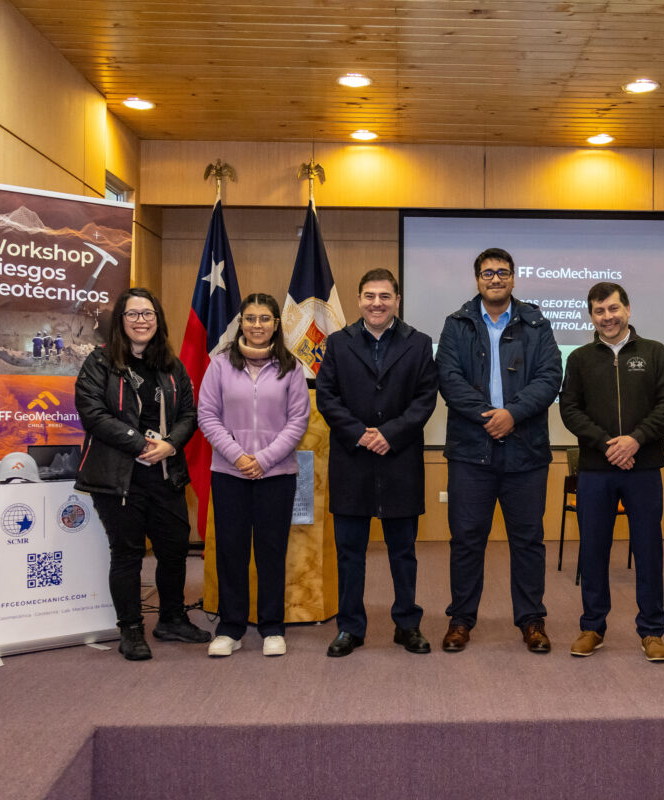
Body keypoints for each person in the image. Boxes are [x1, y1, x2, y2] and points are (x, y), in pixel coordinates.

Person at [436, 247, 562, 653]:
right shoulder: (456, 324)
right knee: (467, 539)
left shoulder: (537, 323)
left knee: (527, 540)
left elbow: (549, 376)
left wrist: (513, 413)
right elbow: (448, 378)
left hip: (525, 451)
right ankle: (460, 619)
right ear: (477, 279)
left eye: (502, 272)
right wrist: (489, 416)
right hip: (471, 450)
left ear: (513, 278)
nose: (495, 279)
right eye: (487, 273)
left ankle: (532, 620)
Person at [75, 287, 211, 661]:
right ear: (121, 321)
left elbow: (189, 413)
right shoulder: (99, 363)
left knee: (173, 550)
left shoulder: (171, 365)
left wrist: (169, 445)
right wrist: (139, 444)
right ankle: (131, 630)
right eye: (133, 314)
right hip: (119, 479)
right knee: (128, 554)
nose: (141, 320)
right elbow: (93, 413)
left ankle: (171, 619)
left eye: (148, 314)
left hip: (166, 474)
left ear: (158, 320)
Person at [316, 269, 439, 657]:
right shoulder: (337, 343)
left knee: (403, 551)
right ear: (358, 300)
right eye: (369, 296)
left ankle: (407, 624)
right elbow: (326, 396)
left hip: (399, 460)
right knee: (350, 552)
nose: (376, 303)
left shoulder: (418, 343)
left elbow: (425, 398)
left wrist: (390, 434)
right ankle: (351, 628)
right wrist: (361, 433)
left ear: (397, 300)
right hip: (352, 461)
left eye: (385, 296)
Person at [559, 282, 664, 661]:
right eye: (598, 311)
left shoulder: (656, 353)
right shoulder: (578, 359)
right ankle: (592, 626)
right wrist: (610, 444)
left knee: (648, 550)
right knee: (593, 550)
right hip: (596, 469)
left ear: (627, 309)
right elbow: (570, 410)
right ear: (590, 316)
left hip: (643, 468)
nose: (607, 317)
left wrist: (635, 440)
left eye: (613, 309)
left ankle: (652, 631)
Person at [197, 293, 310, 658]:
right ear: (241, 322)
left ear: (276, 324)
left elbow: (298, 422)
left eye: (265, 319)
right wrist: (238, 456)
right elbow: (207, 416)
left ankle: (271, 626)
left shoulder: (291, 367)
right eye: (250, 318)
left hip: (277, 474)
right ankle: (231, 627)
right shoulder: (219, 365)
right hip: (229, 473)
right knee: (231, 550)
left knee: (271, 550)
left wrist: (263, 459)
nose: (257, 325)